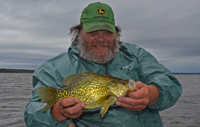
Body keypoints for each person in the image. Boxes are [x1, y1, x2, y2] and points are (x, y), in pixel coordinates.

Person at [24, 2, 182, 127]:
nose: (101, 39)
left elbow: (171, 84)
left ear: (116, 34)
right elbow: (32, 116)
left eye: (107, 32)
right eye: (93, 33)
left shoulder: (136, 54)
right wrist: (57, 112)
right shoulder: (53, 68)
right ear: (79, 34)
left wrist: (152, 94)